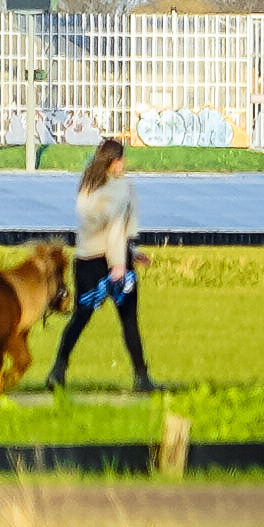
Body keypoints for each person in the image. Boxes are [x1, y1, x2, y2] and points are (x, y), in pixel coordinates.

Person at [45, 137, 159, 393]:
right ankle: (142, 378)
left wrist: (131, 252)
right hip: (113, 263)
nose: (124, 164)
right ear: (115, 161)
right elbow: (116, 230)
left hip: (86, 261)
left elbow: (96, 227)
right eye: (122, 159)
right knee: (129, 321)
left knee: (80, 317)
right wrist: (120, 263)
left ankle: (58, 370)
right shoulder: (121, 188)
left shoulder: (87, 185)